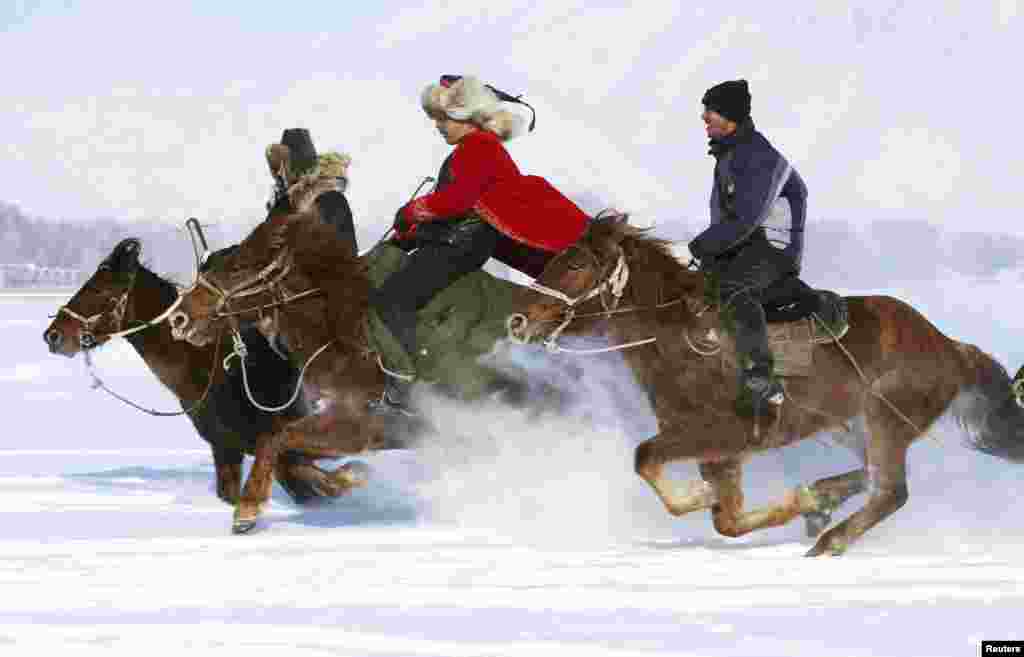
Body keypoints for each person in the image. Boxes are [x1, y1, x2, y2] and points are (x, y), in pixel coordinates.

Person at [369, 75, 589, 416]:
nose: (438, 126)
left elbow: (459, 200)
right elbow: (462, 207)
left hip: (457, 248)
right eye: (436, 119)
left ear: (468, 116)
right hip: (457, 242)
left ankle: (411, 386)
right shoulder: (476, 148)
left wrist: (414, 210)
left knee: (390, 303)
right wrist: (410, 233)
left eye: (444, 118)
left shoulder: (479, 148)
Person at [687, 79, 808, 415]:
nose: (704, 118)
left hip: (771, 249)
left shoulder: (758, 156)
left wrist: (701, 246)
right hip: (743, 247)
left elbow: (746, 218)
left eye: (709, 111)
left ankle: (760, 374)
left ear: (730, 116)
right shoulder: (731, 154)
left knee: (733, 288)